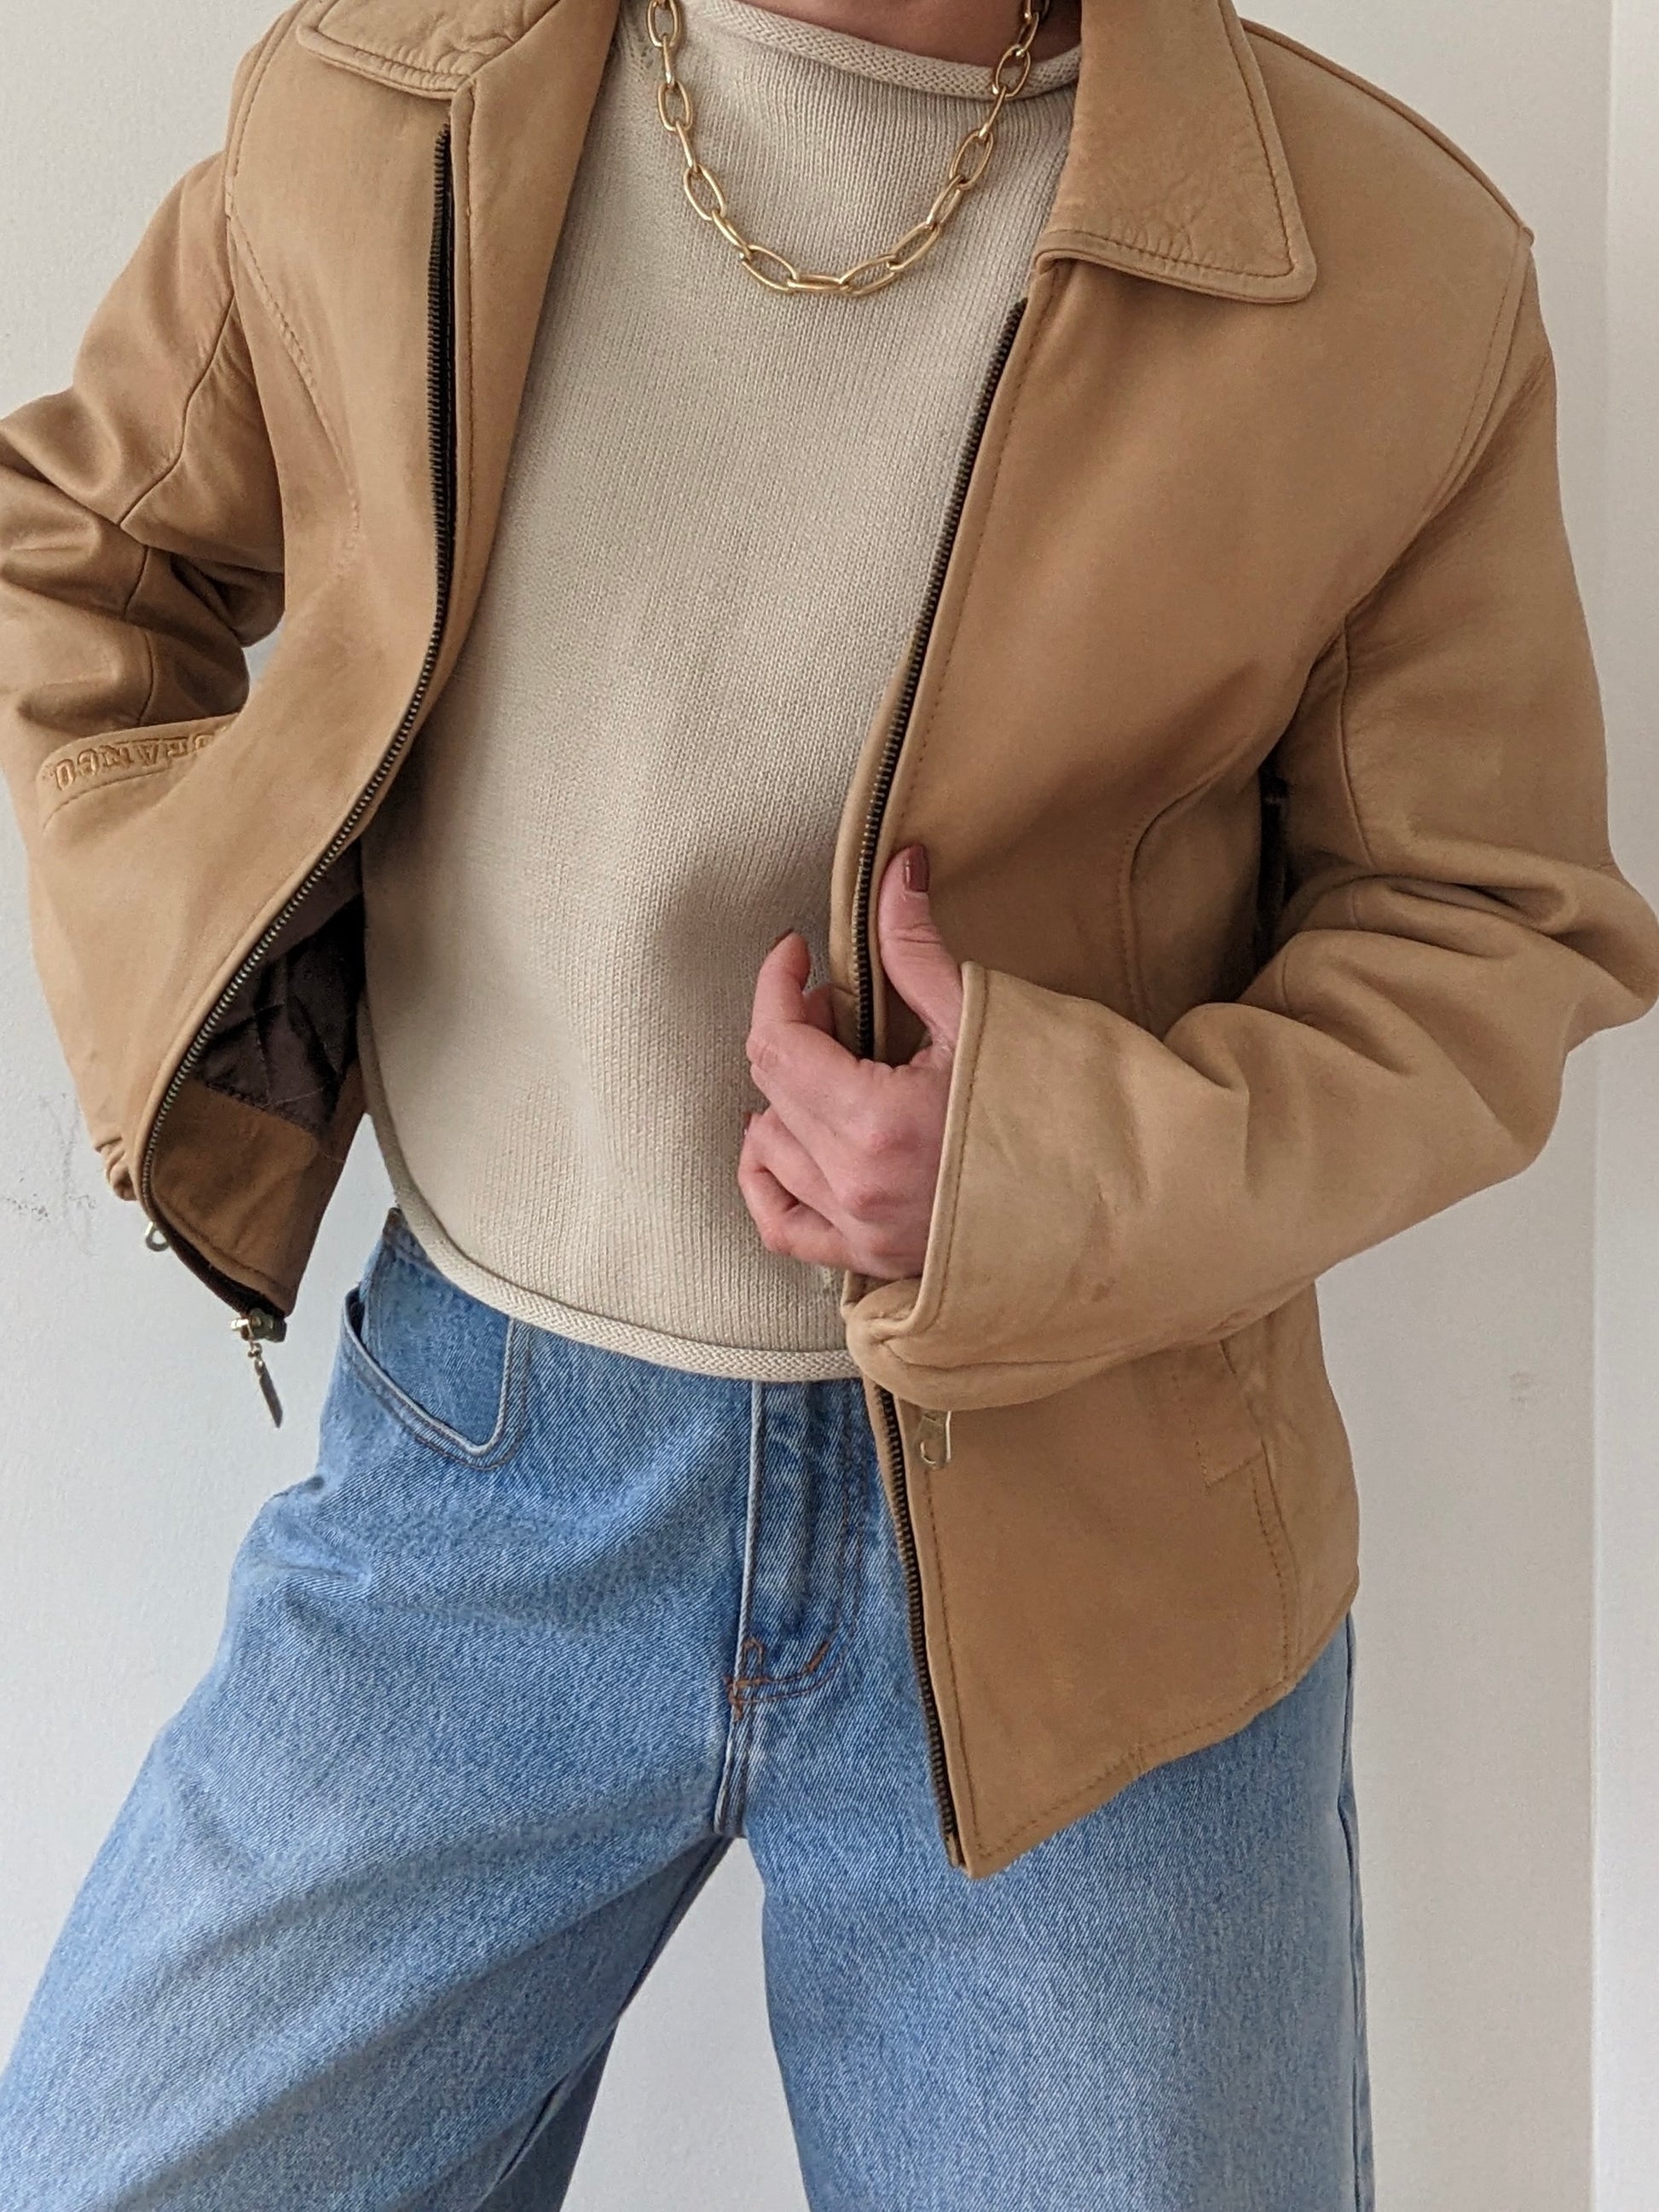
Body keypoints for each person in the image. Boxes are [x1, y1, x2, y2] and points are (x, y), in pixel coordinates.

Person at [1, 0, 1654, 2202]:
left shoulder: (1371, 261)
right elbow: (81, 554)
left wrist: (1043, 1171)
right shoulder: (395, 101)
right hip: (486, 1472)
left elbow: (1486, 920)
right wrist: (232, 984)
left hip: (1098, 1551)